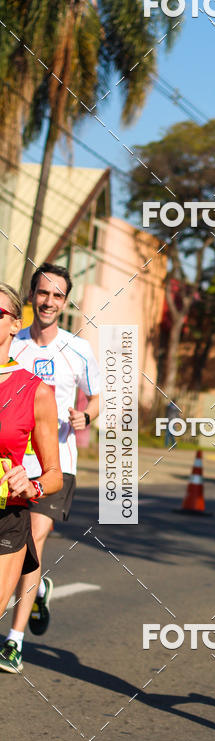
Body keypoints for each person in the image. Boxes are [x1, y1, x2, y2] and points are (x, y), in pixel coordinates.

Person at [0, 263, 100, 674]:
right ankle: (36, 586)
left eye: (58, 295)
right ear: (31, 297)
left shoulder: (78, 350)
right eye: (43, 293)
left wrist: (85, 418)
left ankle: (15, 639)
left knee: (34, 539)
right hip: (9, 460)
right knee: (26, 549)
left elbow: (95, 397)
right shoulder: (13, 339)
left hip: (54, 464)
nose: (49, 301)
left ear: (65, 302)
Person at [0, 283, 62, 672]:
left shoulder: (33, 389)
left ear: (13, 324)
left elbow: (54, 474)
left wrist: (32, 484)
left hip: (6, 515)